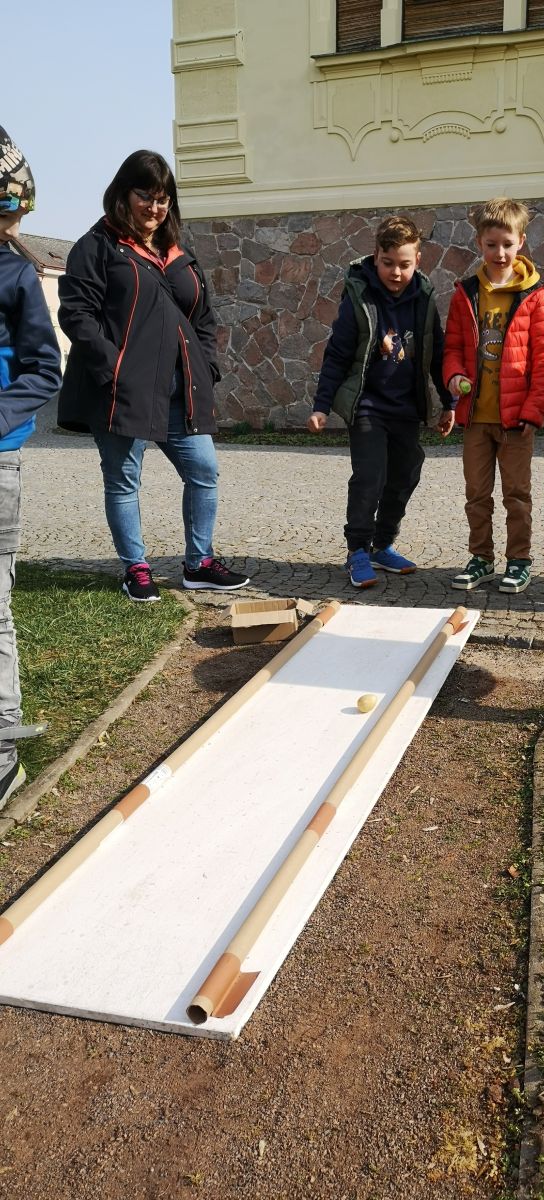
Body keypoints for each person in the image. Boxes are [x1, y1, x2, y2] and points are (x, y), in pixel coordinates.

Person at [57, 150, 249, 602]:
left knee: (203, 471)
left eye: (163, 199)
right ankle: (136, 568)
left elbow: (203, 318)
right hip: (122, 390)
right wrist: (114, 368)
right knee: (124, 479)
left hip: (182, 389)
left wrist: (208, 364)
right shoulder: (97, 246)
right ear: (124, 194)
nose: (155, 207)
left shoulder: (178, 252)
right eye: (146, 196)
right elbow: (77, 314)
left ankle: (199, 564)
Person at [307, 214, 454, 588]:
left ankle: (382, 544)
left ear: (418, 260)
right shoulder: (360, 297)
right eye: (388, 263)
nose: (396, 272)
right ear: (376, 257)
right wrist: (321, 406)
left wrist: (448, 403)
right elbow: (337, 355)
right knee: (370, 476)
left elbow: (436, 354)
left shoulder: (424, 299)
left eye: (404, 264)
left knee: (406, 473)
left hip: (406, 408)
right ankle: (357, 549)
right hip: (368, 407)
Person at [443, 197, 544, 594]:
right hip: (476, 417)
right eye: (491, 244)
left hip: (516, 420)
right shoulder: (465, 293)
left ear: (521, 241)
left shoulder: (537, 296)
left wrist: (533, 412)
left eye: (507, 244)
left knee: (516, 495)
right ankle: (481, 558)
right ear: (479, 242)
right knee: (476, 494)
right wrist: (454, 376)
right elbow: (452, 348)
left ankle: (519, 560)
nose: (500, 253)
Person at [0, 126, 62, 810]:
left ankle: (2, 753)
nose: (12, 229)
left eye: (14, 218)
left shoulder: (15, 275)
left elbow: (45, 369)